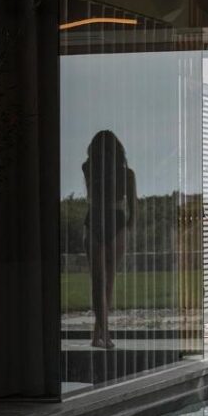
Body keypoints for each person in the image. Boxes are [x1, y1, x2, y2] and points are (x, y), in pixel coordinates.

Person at [82, 131, 138, 349]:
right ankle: (103, 334)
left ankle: (99, 335)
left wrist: (128, 227)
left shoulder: (89, 168)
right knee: (106, 283)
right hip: (113, 220)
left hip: (98, 219)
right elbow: (133, 206)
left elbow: (132, 206)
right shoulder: (126, 174)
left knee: (100, 282)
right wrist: (128, 227)